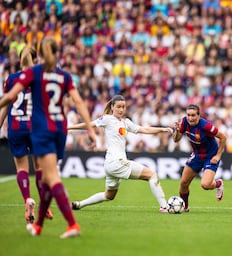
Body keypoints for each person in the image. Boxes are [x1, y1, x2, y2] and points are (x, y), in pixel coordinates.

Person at [0, 37, 96, 238]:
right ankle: (39, 226)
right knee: (47, 177)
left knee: (51, 178)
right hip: (60, 130)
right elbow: (78, 102)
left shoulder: (34, 73)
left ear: (42, 55)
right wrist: (91, 129)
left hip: (42, 130)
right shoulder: (65, 75)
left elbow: (10, 98)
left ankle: (72, 224)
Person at [69, 95, 171, 213]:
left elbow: (144, 129)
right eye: (118, 107)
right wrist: (69, 127)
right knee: (152, 175)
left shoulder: (125, 122)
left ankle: (79, 204)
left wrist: (162, 129)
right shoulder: (107, 119)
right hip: (117, 162)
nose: (121, 110)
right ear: (112, 107)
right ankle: (164, 207)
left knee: (109, 196)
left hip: (110, 165)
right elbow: (89, 124)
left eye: (123, 107)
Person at [0, 46, 53, 223]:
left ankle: (27, 201)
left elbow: (6, 105)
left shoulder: (10, 80)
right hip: (35, 127)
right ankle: (45, 207)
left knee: (22, 169)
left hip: (16, 127)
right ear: (35, 60)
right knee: (39, 168)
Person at [172, 104, 227, 212]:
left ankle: (218, 183)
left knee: (205, 185)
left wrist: (218, 155)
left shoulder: (205, 126)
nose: (190, 118)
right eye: (188, 115)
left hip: (211, 156)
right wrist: (177, 130)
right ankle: (185, 207)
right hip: (197, 155)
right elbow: (176, 140)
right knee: (183, 183)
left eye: (193, 115)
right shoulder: (184, 122)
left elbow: (223, 137)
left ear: (198, 115)